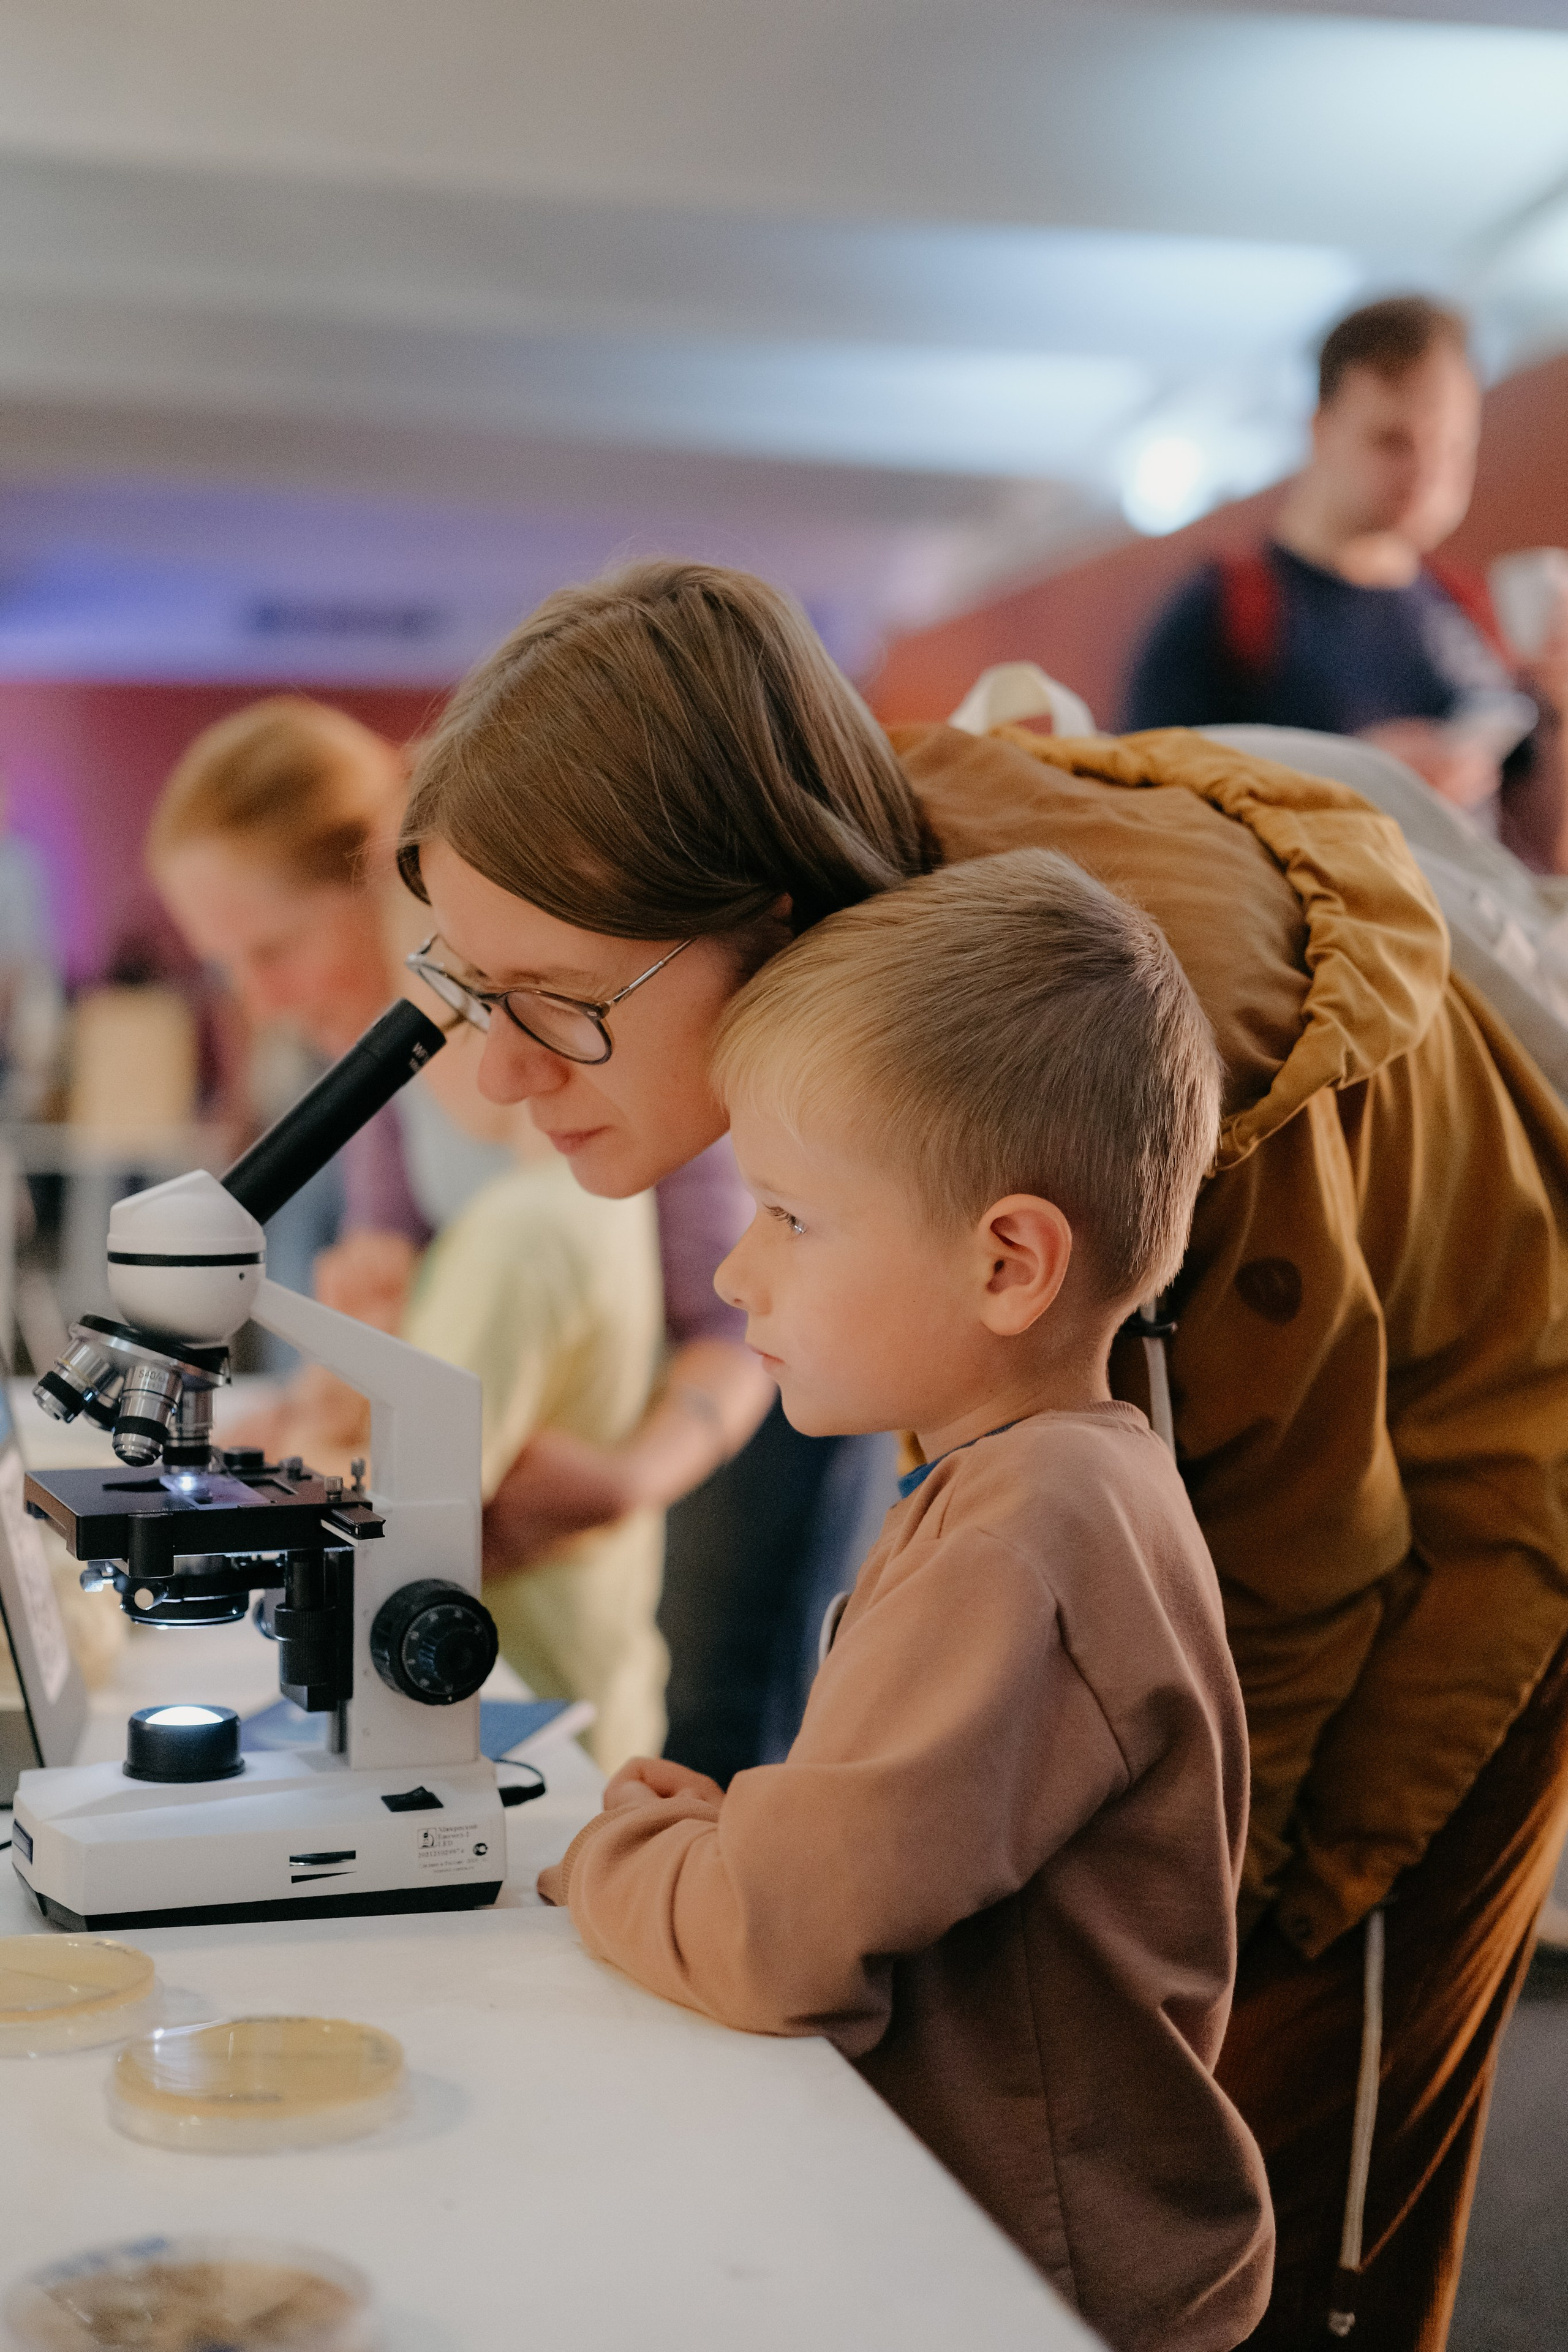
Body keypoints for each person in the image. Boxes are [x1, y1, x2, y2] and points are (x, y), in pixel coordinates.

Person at [396, 558, 1568, 2350]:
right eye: (468, 989)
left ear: (764, 913)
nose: (492, 1074)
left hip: (1471, 1461)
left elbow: (1263, 1681)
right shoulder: (860, 965)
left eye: (550, 995)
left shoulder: (1123, 1058)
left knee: (1291, 2124)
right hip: (1284, 1450)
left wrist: (1161, 2054)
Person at [539, 851, 1272, 2349]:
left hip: (1029, 2277)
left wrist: (610, 1853)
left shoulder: (1028, 1530)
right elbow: (876, 1858)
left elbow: (771, 1937)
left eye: (791, 1217)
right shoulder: (1036, 1478)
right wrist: (731, 1828)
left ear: (1005, 1261)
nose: (740, 1273)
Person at [148, 696, 879, 1776]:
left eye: (276, 948)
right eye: (227, 967)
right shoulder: (378, 1065)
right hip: (569, 1426)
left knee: (722, 1741)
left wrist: (631, 1475)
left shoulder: (618, 1046)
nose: (258, 997)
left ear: (375, 885)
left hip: (729, 1409)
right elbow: (395, 1251)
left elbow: (724, 1314)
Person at [1121, 295, 1568, 872]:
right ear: (1322, 430)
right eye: (1392, 441)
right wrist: (1352, 779)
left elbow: (1548, 847)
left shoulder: (1475, 612)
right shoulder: (1225, 612)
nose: (1427, 474)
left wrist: (1558, 711)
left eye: (1452, 445)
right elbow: (1143, 824)